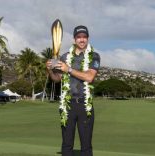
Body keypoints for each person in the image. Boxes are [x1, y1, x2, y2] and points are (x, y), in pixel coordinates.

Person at [46, 25, 100, 156]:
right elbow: (57, 79)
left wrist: (68, 69)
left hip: (84, 105)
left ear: (87, 38)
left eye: (84, 37)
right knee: (66, 144)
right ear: (74, 39)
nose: (82, 40)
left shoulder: (94, 56)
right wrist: (50, 70)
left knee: (86, 146)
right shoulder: (65, 57)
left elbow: (90, 77)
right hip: (67, 105)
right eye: (79, 37)